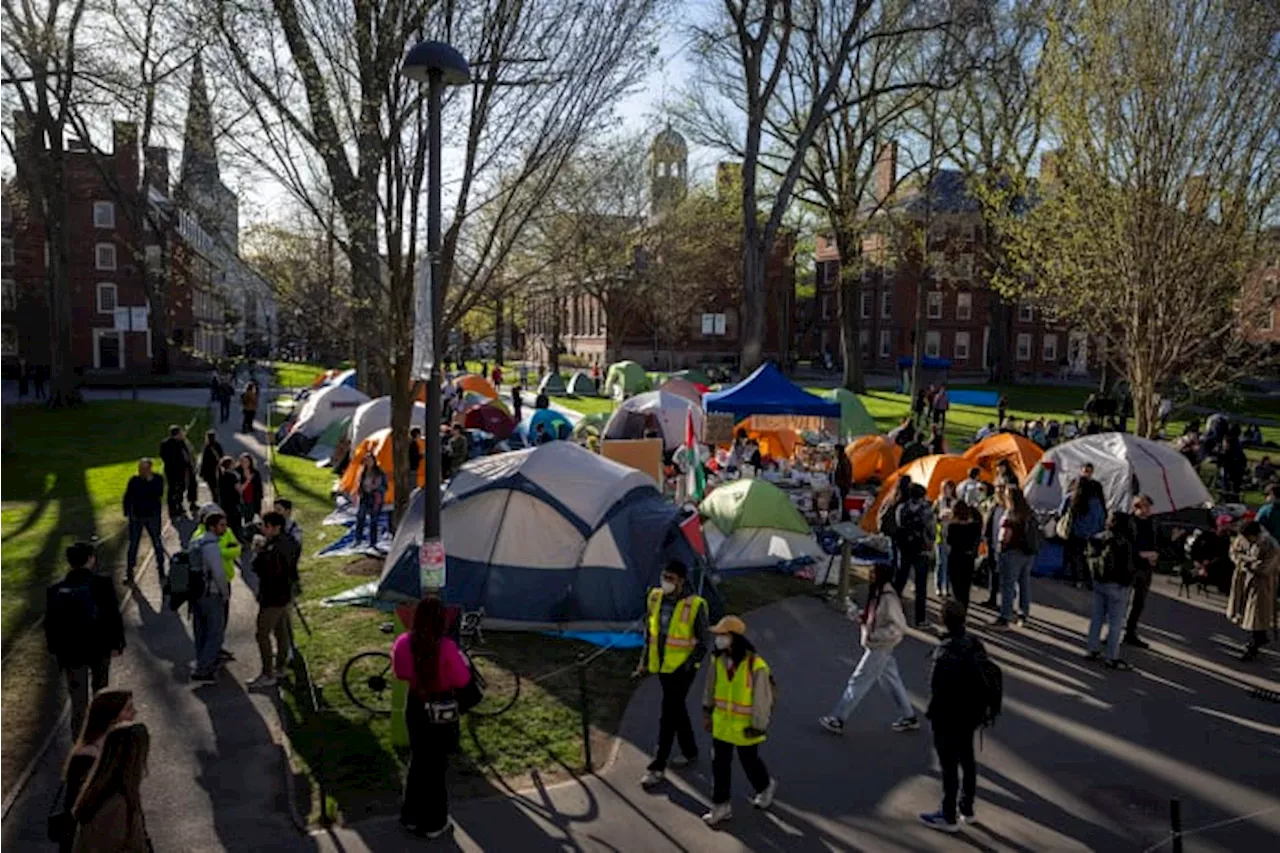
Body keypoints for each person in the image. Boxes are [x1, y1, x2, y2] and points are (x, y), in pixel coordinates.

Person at [391, 598, 473, 838]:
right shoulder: (446, 646)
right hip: (441, 707)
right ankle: (434, 823)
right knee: (436, 767)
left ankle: (411, 816)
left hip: (416, 704)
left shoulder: (403, 642)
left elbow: (400, 672)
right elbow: (461, 680)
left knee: (418, 762)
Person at [818, 561, 918, 735]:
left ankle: (838, 718)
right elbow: (873, 616)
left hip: (879, 647)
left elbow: (899, 627)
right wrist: (858, 616)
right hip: (880, 646)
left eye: (873, 572)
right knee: (892, 681)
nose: (869, 575)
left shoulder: (888, 597)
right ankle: (909, 716)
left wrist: (875, 635)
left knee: (858, 681)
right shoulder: (879, 593)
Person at [637, 562, 709, 788]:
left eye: (670, 578)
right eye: (664, 576)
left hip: (682, 670)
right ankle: (690, 751)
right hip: (662, 666)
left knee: (668, 715)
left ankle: (657, 767)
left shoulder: (696, 605)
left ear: (681, 581)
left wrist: (689, 664)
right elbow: (650, 632)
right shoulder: (655, 597)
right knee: (677, 708)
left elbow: (702, 642)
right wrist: (644, 662)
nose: (665, 581)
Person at [919, 599, 988, 833]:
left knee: (948, 766)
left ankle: (947, 814)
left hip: (947, 717)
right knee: (967, 761)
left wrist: (931, 713)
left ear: (943, 620)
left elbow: (937, 689)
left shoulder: (944, 652)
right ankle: (966, 809)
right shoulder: (974, 643)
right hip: (969, 714)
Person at [700, 615, 776, 826]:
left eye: (722, 635)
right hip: (722, 724)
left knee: (749, 763)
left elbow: (762, 699)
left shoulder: (756, 665)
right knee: (719, 765)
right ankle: (720, 806)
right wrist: (707, 712)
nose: (718, 639)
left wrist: (758, 726)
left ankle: (765, 786)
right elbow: (710, 687)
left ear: (734, 637)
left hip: (746, 728)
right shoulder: (718, 660)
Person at [45, 543, 125, 736]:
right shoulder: (102, 583)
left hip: (71, 653)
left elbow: (51, 624)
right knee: (101, 694)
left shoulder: (55, 589)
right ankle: (103, 736)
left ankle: (80, 743)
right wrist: (118, 643)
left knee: (78, 702)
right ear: (90, 559)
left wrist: (56, 651)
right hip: (99, 647)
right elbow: (113, 615)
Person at [56, 691, 135, 853]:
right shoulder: (87, 756)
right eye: (128, 709)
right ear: (112, 716)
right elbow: (76, 808)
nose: (134, 712)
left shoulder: (110, 746)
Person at [70, 722, 152, 852]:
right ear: (132, 760)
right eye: (142, 757)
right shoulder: (116, 805)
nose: (144, 766)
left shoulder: (107, 792)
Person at [249, 512, 299, 687]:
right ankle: (280, 668)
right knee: (281, 632)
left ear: (275, 527)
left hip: (272, 597)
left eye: (265, 526)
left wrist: (258, 552)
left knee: (262, 634)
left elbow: (263, 570)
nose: (263, 529)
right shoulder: (290, 541)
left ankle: (267, 673)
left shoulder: (272, 549)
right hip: (286, 594)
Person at [1084, 511, 1136, 670]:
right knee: (1116, 622)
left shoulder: (1098, 538)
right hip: (1118, 584)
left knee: (1097, 617)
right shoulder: (1123, 542)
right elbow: (1128, 565)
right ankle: (1112, 657)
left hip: (1100, 582)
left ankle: (1092, 649)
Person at [1227, 521, 1279, 662]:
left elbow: (1265, 567)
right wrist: (1244, 561)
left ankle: (1253, 645)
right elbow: (1233, 551)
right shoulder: (1242, 538)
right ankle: (1260, 637)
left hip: (1261, 583)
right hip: (1243, 579)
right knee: (1245, 611)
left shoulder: (1270, 545)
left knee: (1255, 613)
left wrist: (1248, 563)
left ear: (1255, 535)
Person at [190, 512, 233, 682]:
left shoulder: (196, 543)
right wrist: (225, 593)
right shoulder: (211, 547)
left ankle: (202, 662)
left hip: (196, 594)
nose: (225, 528)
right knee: (215, 633)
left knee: (201, 631)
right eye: (222, 525)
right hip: (211, 594)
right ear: (212, 527)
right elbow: (218, 573)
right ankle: (204, 670)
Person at [994, 486, 1038, 628]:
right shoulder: (1029, 513)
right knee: (1024, 584)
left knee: (1008, 585)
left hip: (1012, 552)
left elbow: (1005, 536)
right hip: (1028, 552)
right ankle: (1023, 614)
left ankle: (1004, 616)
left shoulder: (1011, 514)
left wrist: (1000, 549)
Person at [894, 483, 936, 626]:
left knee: (900, 581)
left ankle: (891, 611)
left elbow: (899, 524)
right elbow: (931, 528)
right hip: (921, 548)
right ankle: (920, 618)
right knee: (920, 587)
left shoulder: (902, 508)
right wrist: (931, 543)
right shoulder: (926, 509)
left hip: (905, 547)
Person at [1061, 466, 1105, 589]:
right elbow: (1101, 518)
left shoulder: (1072, 498)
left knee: (1075, 555)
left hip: (1076, 532)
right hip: (1093, 534)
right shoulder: (1096, 501)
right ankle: (1089, 580)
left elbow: (1061, 512)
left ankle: (1076, 579)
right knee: (1089, 557)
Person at [122, 458, 165, 584]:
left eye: (145, 469)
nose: (142, 471)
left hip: (152, 516)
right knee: (133, 544)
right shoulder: (134, 481)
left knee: (157, 542)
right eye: (140, 468)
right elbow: (128, 496)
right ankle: (129, 572)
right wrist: (126, 511)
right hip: (137, 516)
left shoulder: (157, 479)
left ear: (150, 469)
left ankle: (161, 570)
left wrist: (149, 482)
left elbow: (159, 493)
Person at [1125, 495, 1158, 649]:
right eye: (1142, 506)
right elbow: (1126, 544)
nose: (1146, 510)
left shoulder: (1152, 523)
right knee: (1122, 601)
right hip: (1131, 566)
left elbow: (1158, 543)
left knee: (1139, 602)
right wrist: (1142, 554)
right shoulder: (1129, 522)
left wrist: (1156, 555)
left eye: (1148, 507)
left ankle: (1130, 632)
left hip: (1146, 568)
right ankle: (1114, 632)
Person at [947, 501, 982, 607]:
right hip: (968, 558)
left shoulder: (953, 526)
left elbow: (950, 541)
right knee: (965, 588)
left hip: (955, 557)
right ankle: (964, 611)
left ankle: (957, 610)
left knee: (956, 588)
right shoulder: (974, 526)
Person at [158, 425, 194, 519]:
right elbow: (165, 456)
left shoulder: (181, 442)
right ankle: (173, 509)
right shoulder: (167, 444)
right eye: (181, 433)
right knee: (173, 489)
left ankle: (179, 505)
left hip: (182, 470)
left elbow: (188, 451)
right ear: (177, 434)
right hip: (173, 471)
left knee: (181, 488)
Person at [354, 453, 388, 548]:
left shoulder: (379, 472)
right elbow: (359, 484)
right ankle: (358, 539)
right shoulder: (362, 472)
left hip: (375, 498)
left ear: (374, 461)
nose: (368, 462)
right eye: (366, 460)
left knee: (374, 520)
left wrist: (375, 490)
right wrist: (359, 492)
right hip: (364, 496)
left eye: (369, 460)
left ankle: (373, 543)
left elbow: (384, 487)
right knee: (360, 517)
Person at [934, 481, 957, 596]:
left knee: (950, 563)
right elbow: (933, 518)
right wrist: (939, 517)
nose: (946, 491)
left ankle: (947, 587)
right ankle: (938, 586)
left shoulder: (955, 502)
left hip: (952, 535)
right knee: (940, 562)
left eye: (948, 488)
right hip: (940, 534)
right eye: (944, 488)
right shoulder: (938, 502)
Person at [216, 456, 244, 541]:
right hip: (234, 502)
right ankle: (237, 540)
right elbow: (239, 489)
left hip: (224, 502)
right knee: (236, 523)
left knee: (228, 522)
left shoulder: (221, 475)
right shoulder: (233, 476)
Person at [237, 453, 264, 528]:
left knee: (249, 519)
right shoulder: (237, 472)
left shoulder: (255, 473)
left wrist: (260, 499)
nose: (244, 463)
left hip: (251, 499)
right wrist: (248, 479)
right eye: (242, 461)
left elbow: (259, 487)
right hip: (240, 499)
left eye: (246, 461)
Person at [199, 431, 223, 501]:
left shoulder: (207, 447)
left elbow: (204, 461)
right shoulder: (218, 446)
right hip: (217, 470)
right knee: (218, 487)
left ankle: (215, 500)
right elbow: (222, 457)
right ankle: (218, 499)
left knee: (212, 488)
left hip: (209, 472)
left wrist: (201, 472)